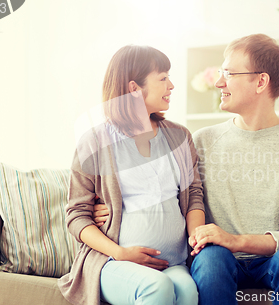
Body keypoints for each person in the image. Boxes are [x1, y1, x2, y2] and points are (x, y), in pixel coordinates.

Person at [93, 34, 279, 305]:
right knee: (212, 259)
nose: (218, 82)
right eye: (219, 73)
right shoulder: (200, 141)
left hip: (277, 260)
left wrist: (237, 241)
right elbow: (171, 193)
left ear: (261, 82)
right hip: (217, 259)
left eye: (228, 73)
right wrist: (113, 206)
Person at [58, 45, 205, 305]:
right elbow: (76, 215)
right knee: (156, 287)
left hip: (174, 262)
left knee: (187, 291)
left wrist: (196, 237)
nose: (171, 85)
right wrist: (121, 253)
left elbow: (193, 194)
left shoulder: (179, 136)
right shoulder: (94, 141)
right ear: (134, 88)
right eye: (163, 78)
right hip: (114, 261)